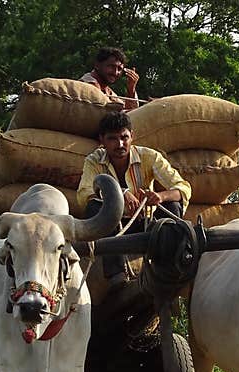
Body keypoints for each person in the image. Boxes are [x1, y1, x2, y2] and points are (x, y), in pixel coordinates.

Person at [77, 111, 191, 289]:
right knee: (93, 206)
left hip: (146, 224)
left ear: (132, 136)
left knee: (173, 205)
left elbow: (183, 187)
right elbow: (84, 193)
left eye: (124, 137)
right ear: (102, 140)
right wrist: (119, 194)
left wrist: (160, 196)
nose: (120, 144)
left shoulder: (149, 157)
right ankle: (116, 275)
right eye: (112, 139)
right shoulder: (93, 161)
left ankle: (169, 267)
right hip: (112, 227)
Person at [80, 47, 140, 112]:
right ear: (97, 65)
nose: (116, 72)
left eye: (119, 69)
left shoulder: (109, 92)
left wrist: (131, 89)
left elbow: (130, 114)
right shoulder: (85, 86)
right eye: (111, 66)